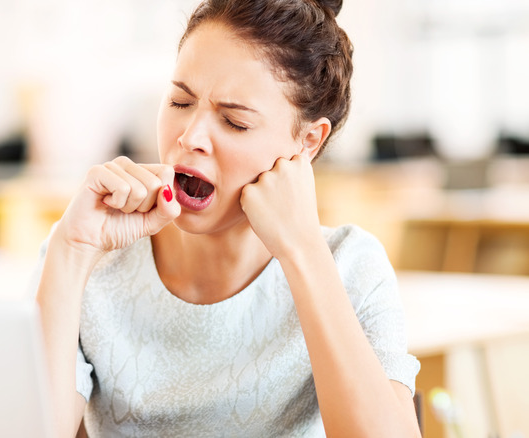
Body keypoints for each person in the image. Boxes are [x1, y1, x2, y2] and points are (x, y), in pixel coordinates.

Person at [33, 0, 421, 436]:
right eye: (180, 101)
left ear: (308, 141)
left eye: (234, 121)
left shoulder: (351, 266)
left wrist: (303, 253)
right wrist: (72, 250)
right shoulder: (87, 258)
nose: (190, 137)